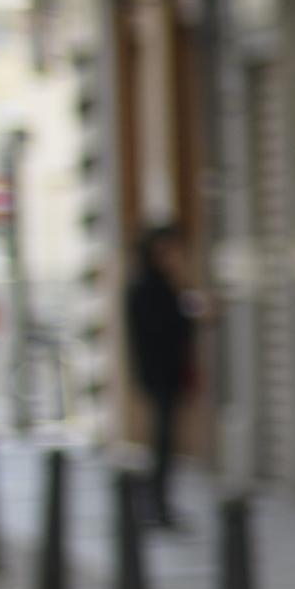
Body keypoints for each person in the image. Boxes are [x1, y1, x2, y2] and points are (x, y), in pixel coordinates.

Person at [122, 219, 201, 527]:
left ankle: (155, 499)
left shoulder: (151, 283)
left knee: (164, 439)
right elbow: (164, 329)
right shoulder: (149, 285)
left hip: (160, 372)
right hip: (161, 372)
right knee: (162, 439)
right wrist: (190, 316)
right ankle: (155, 501)